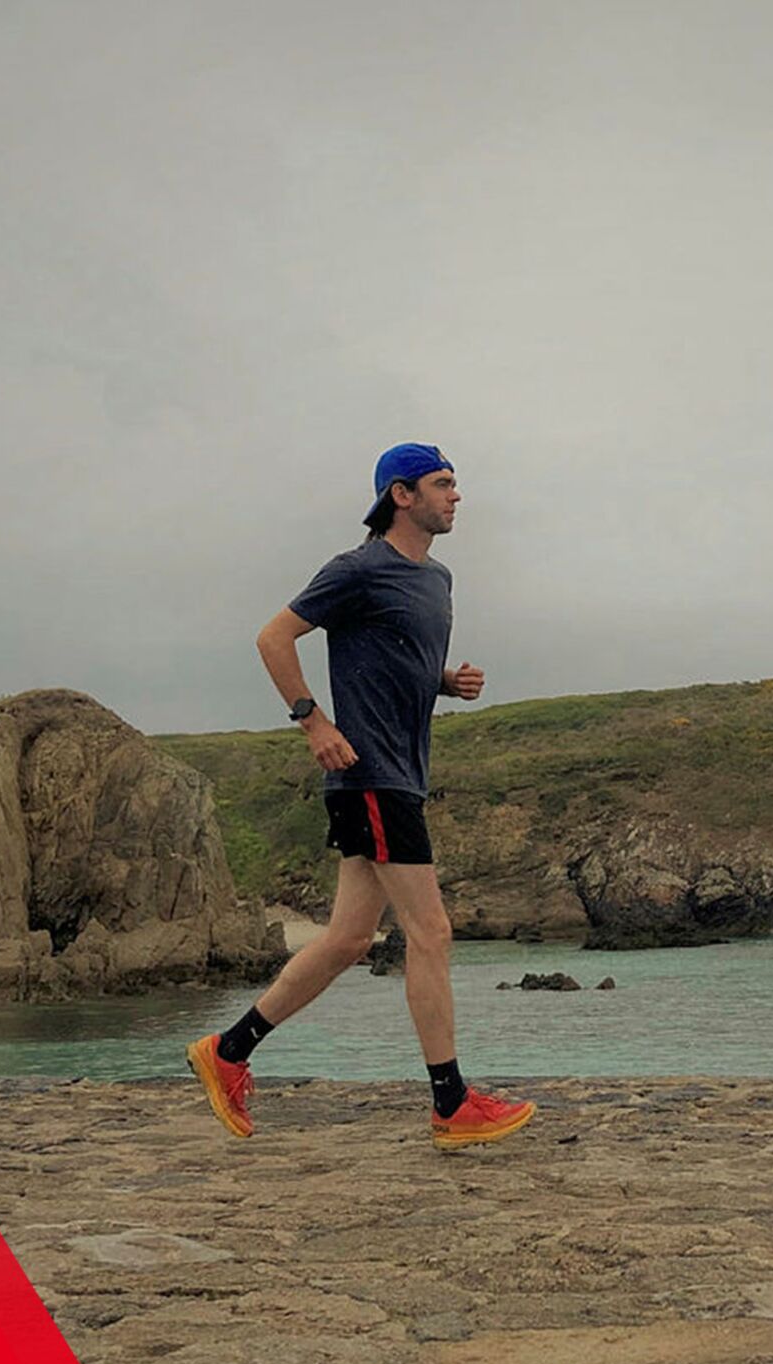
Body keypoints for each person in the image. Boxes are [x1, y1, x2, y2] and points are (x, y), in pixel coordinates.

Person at [186, 443, 537, 1150]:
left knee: (348, 939)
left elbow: (396, 656)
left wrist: (444, 682)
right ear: (400, 495)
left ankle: (228, 1052)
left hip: (401, 775)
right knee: (430, 931)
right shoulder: (357, 569)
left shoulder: (437, 579)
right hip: (369, 775)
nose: (456, 496)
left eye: (456, 484)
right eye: (443, 484)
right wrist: (313, 721)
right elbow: (273, 637)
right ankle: (450, 1103)